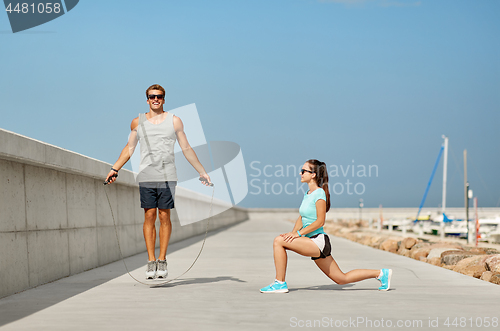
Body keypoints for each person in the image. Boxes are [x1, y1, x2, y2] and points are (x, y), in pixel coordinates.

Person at [105, 84, 211, 279]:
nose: (156, 99)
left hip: (167, 175)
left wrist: (202, 171)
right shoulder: (137, 122)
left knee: (164, 216)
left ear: (164, 99)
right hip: (146, 175)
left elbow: (186, 148)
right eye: (152, 96)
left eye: (159, 96)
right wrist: (115, 168)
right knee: (149, 216)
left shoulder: (175, 121)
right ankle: (151, 261)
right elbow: (129, 149)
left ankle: (162, 260)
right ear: (147, 99)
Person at [259, 159, 392, 293]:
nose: (300, 173)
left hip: (318, 241)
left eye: (303, 171)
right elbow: (302, 217)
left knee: (278, 241)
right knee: (342, 279)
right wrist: (292, 233)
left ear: (313, 175)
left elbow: (320, 222)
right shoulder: (308, 194)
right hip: (311, 240)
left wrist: (297, 234)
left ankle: (280, 283)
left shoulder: (319, 194)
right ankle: (381, 274)